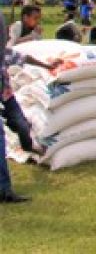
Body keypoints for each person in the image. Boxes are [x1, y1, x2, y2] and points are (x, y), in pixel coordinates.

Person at [1, 18, 62, 203]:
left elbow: (25, 58)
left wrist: (48, 66)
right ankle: (4, 190)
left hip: (6, 96)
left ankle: (27, 145)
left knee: (21, 124)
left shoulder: (4, 53)